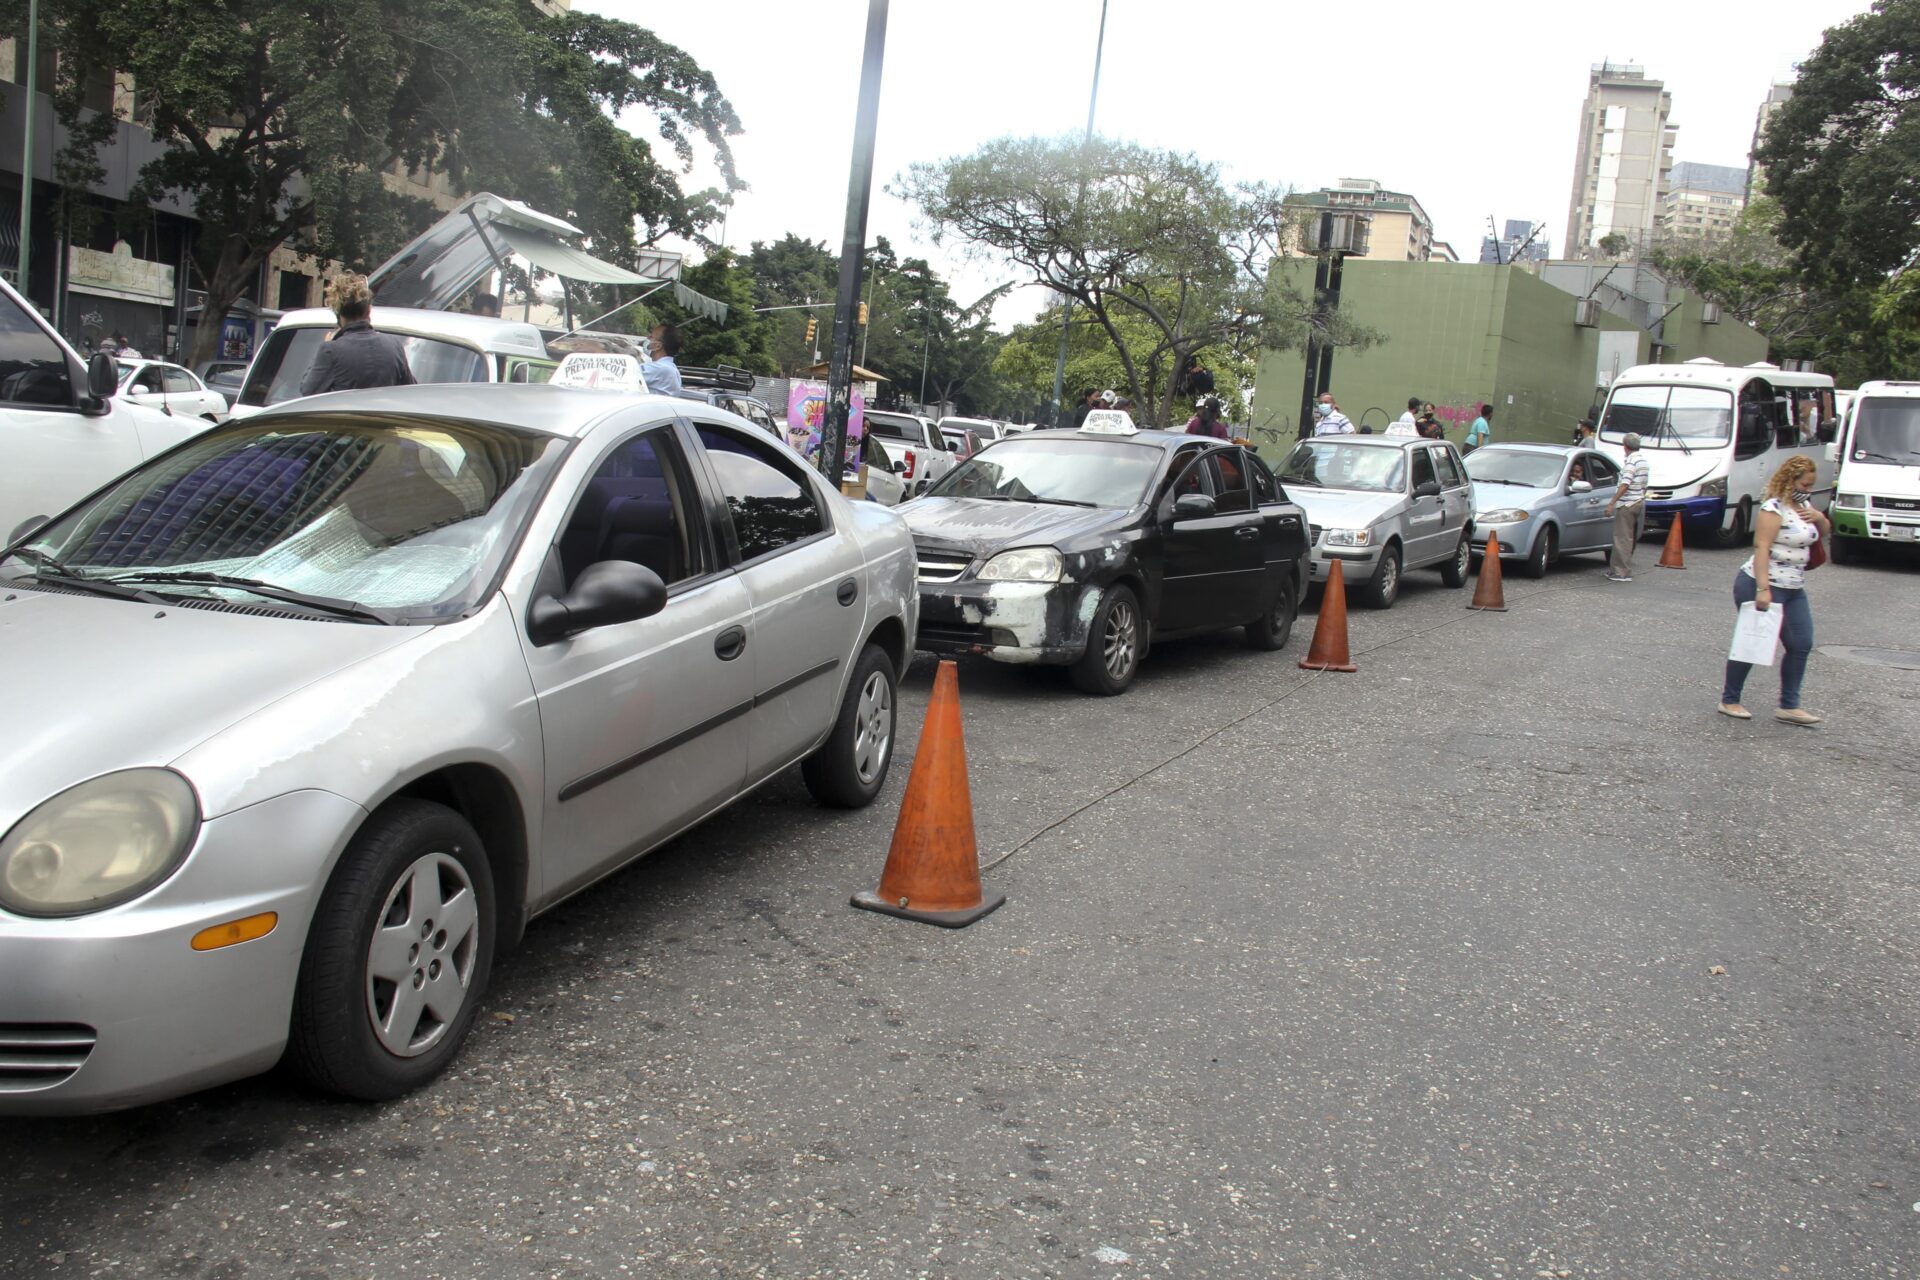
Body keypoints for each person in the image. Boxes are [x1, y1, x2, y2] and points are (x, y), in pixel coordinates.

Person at [1718, 454, 1830, 725]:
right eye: (1804, 484)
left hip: (1793, 586)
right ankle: (1730, 699)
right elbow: (1762, 547)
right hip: (1762, 582)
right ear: (1790, 480)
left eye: (1811, 485)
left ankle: (1789, 705)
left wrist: (1819, 517)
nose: (1808, 490)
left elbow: (1824, 532)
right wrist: (1763, 589)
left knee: (1801, 643)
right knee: (1754, 641)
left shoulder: (1805, 506)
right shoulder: (1773, 507)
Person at [300, 274, 416, 396]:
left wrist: (327, 344)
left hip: (347, 414)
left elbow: (308, 391)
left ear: (338, 314)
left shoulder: (330, 351)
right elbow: (411, 390)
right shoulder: (394, 345)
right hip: (383, 414)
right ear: (369, 310)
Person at [1605, 431, 1650, 581]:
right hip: (1637, 501)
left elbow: (1625, 483)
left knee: (1621, 538)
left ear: (1625, 447)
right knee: (1626, 537)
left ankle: (1621, 572)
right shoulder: (1643, 461)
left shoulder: (1631, 462)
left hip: (1627, 503)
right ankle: (1615, 569)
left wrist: (1612, 502)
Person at [641, 323, 683, 395]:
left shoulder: (660, 368)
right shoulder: (668, 368)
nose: (647, 338)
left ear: (658, 346)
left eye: (651, 337)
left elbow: (624, 374)